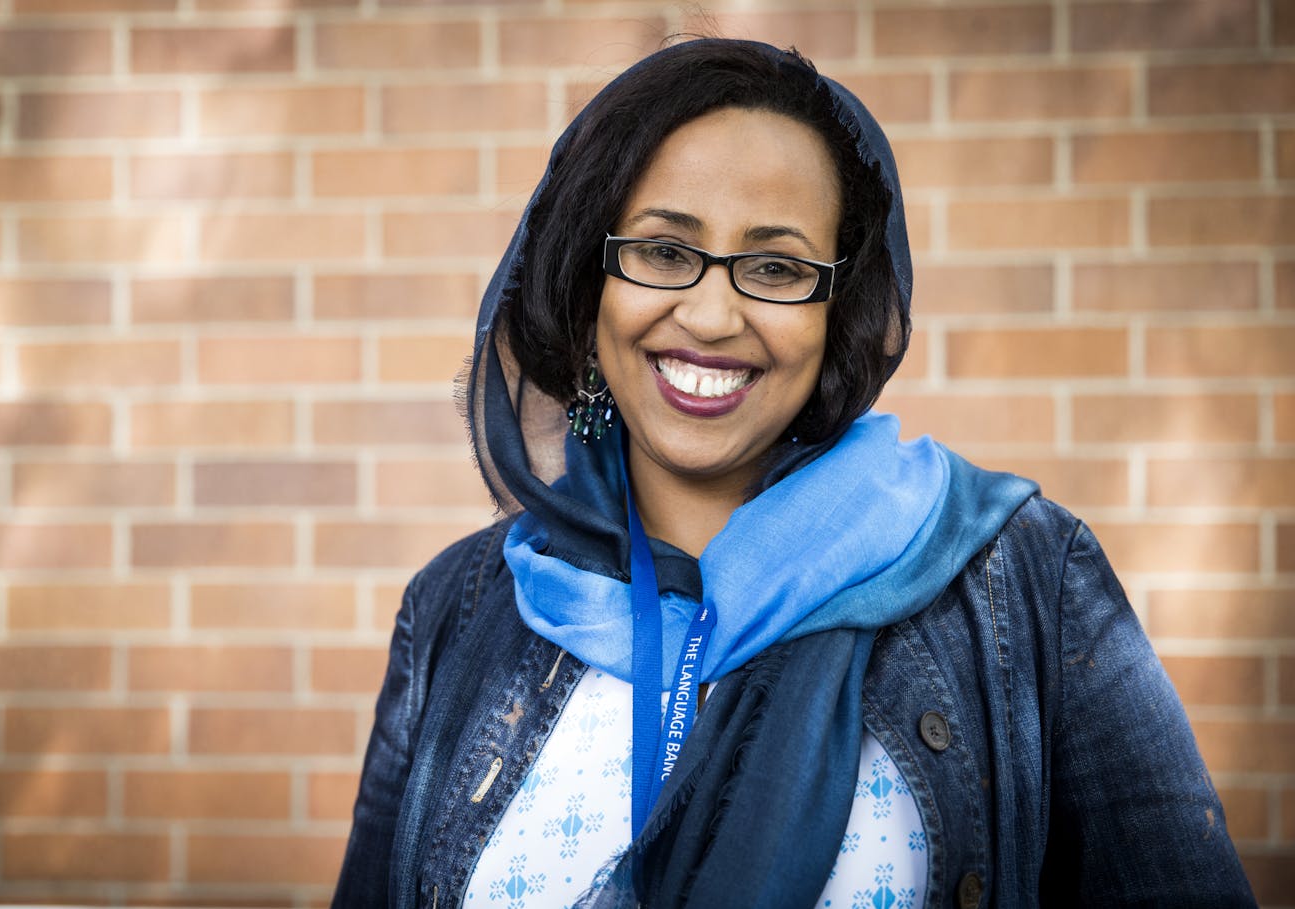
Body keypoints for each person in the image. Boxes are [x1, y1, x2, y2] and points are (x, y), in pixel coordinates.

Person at [330, 38, 1255, 908]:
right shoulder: (456, 608)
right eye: (662, 250)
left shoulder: (1023, 578)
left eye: (775, 266)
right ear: (588, 283)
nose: (712, 314)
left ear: (837, 311)